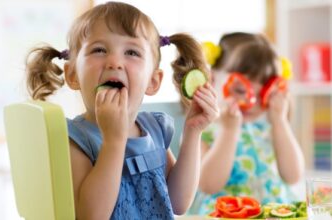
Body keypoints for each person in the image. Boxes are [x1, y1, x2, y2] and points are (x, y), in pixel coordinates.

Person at [24, 2, 219, 219]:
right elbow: (91, 216)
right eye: (99, 50)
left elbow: (178, 202)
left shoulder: (154, 129)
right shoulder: (74, 139)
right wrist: (114, 141)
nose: (114, 62)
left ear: (153, 81)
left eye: (132, 52)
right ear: (72, 75)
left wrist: (193, 132)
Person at [196, 32, 305, 214]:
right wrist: (229, 131)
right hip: (227, 214)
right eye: (240, 89)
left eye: (264, 94)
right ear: (212, 78)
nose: (251, 102)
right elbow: (207, 185)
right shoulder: (202, 127)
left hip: (274, 213)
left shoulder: (272, 125)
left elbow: (293, 176)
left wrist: (280, 122)